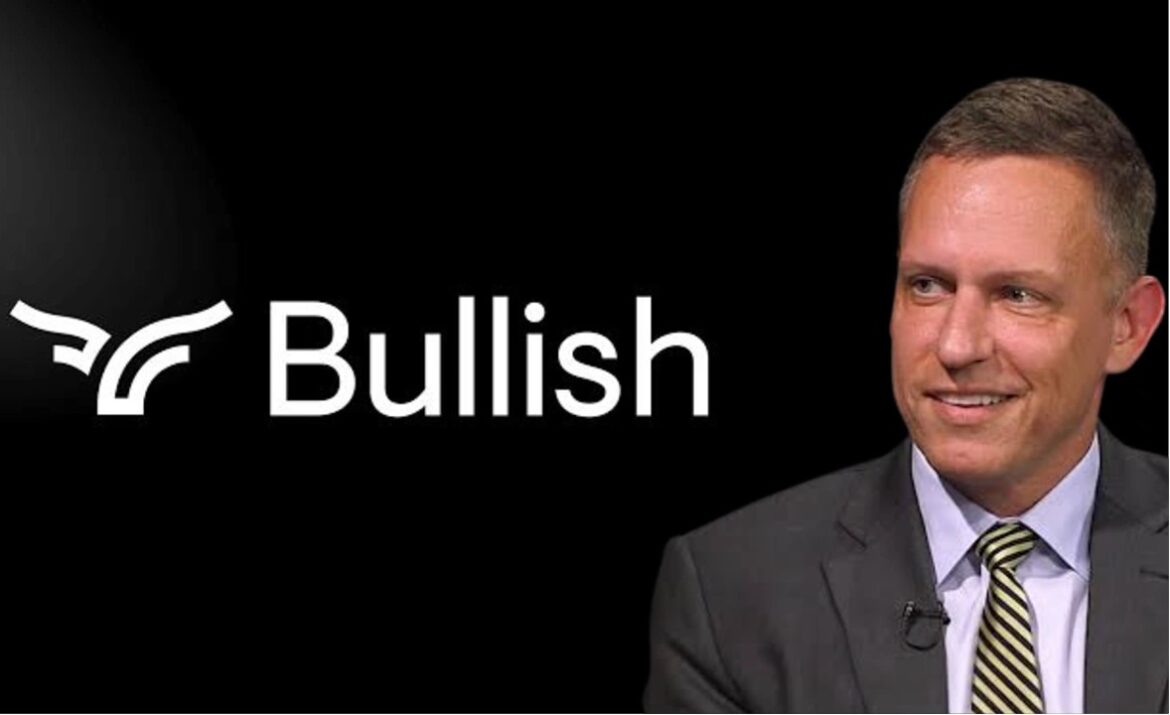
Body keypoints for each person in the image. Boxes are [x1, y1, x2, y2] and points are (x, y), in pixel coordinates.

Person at [643, 78, 1167, 713]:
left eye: (1017, 295)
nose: (956, 344)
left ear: (1127, 326)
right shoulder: (732, 593)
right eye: (928, 285)